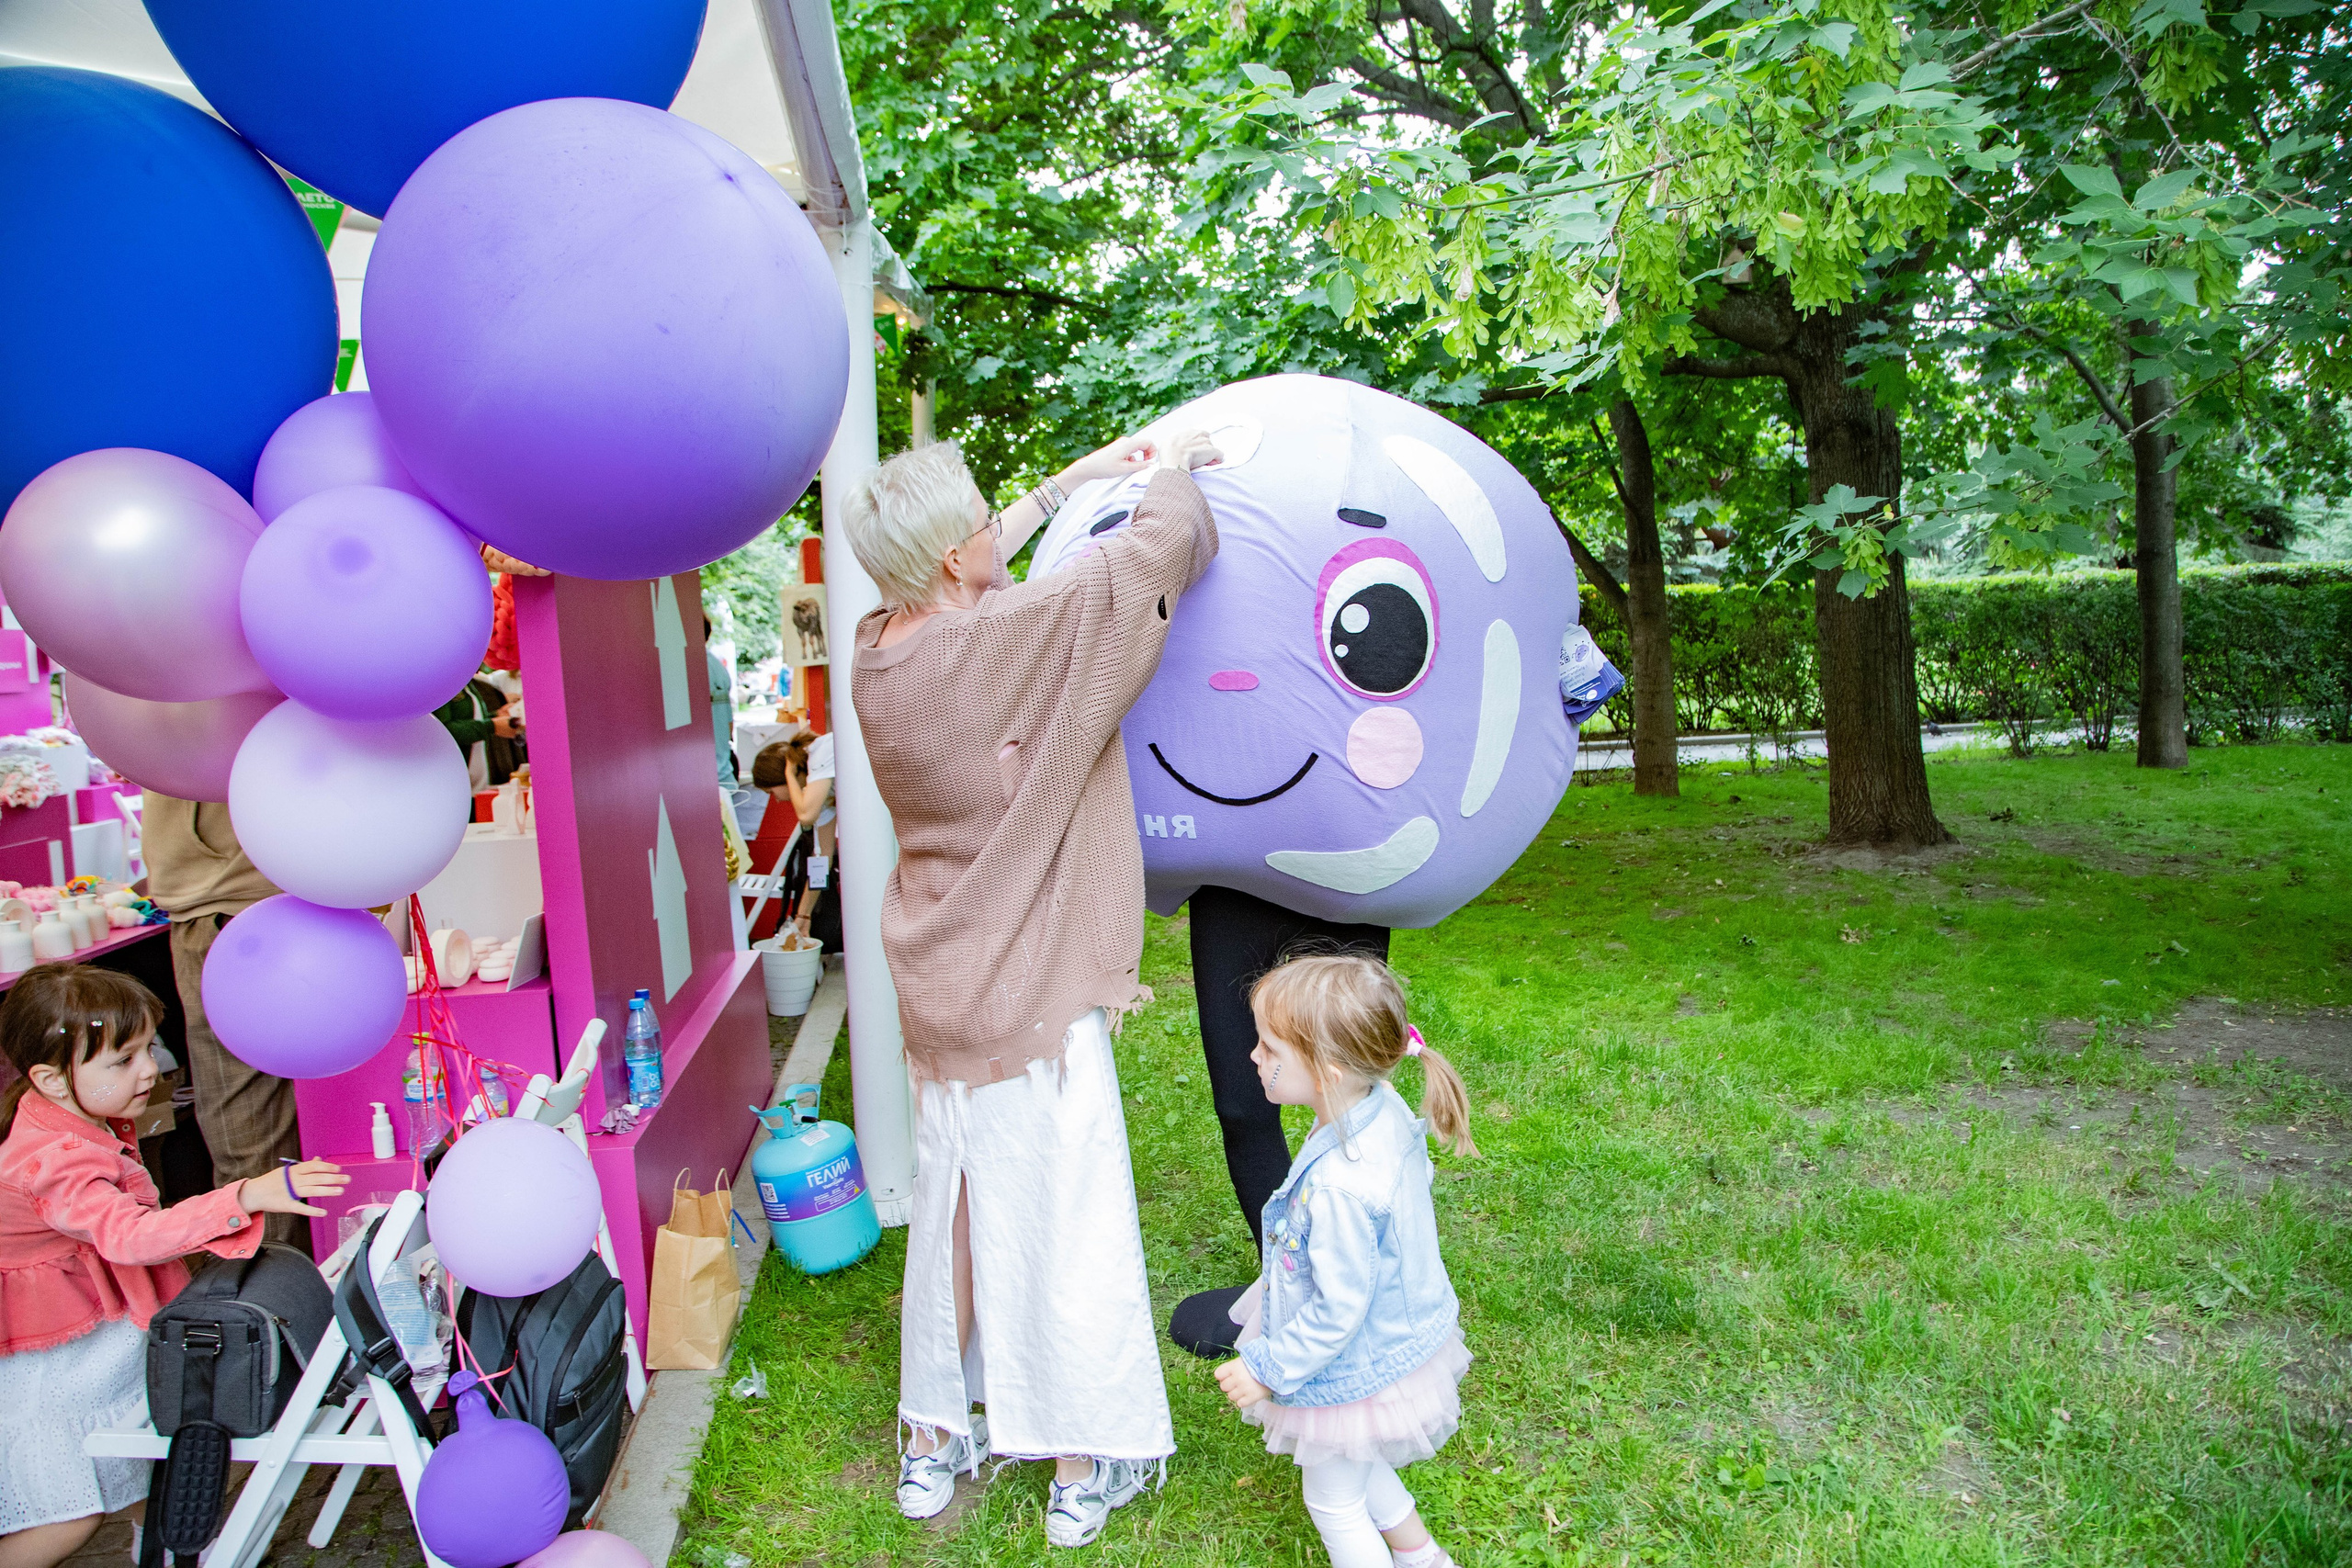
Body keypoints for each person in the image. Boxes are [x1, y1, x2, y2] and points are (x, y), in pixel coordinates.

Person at [842, 427, 1221, 1548]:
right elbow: (1155, 556)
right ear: (950, 560)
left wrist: (1075, 475)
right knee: (1066, 1215)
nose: (989, 530)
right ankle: (1076, 1460)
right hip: (1035, 974)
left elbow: (970, 562)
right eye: (976, 521)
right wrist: (1172, 470)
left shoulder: (877, 650)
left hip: (942, 979)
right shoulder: (1012, 632)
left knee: (955, 1209)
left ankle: (931, 1436)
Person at [0, 964, 345, 1568]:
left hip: (89, 1333)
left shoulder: (66, 1117)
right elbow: (128, 1236)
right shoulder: (55, 1160)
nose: (151, 1068)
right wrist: (242, 1195)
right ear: (52, 1079)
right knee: (68, 1517)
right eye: (122, 1059)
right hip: (52, 1361)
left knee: (153, 1461)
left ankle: (177, 1547)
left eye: (148, 1048)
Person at [1212, 953, 1476, 1568]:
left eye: (1271, 1048)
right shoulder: (1376, 1104)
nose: (1254, 1055)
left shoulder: (1340, 1186)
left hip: (1350, 1360)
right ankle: (1423, 1556)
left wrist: (1268, 1369)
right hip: (1394, 1340)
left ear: (1328, 1071)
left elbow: (1337, 1310)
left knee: (1333, 1500)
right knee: (1357, 1464)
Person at [137, 795, 308, 1251]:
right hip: (238, 895)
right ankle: (268, 1291)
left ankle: (272, 1290)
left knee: (258, 1119)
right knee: (253, 1124)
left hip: (245, 890)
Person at [749, 730, 837, 951]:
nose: (776, 800)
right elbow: (823, 858)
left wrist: (789, 774)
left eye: (771, 791)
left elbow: (805, 815)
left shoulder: (821, 753)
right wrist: (803, 916)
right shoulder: (820, 794)